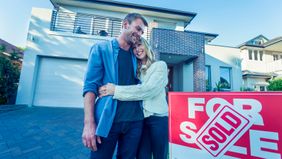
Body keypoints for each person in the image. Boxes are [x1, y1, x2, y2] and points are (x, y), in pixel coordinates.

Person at [82, 13, 148, 159]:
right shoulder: (101, 49)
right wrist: (88, 123)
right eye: (137, 29)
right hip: (108, 120)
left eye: (142, 32)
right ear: (125, 25)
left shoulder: (137, 55)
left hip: (135, 121)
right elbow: (90, 87)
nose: (139, 34)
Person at [99, 37, 169, 159]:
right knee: (142, 156)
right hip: (141, 119)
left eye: (139, 45)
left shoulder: (160, 66)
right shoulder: (137, 72)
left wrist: (115, 90)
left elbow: (148, 91)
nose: (137, 49)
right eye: (134, 48)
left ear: (146, 46)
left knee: (160, 155)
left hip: (158, 119)